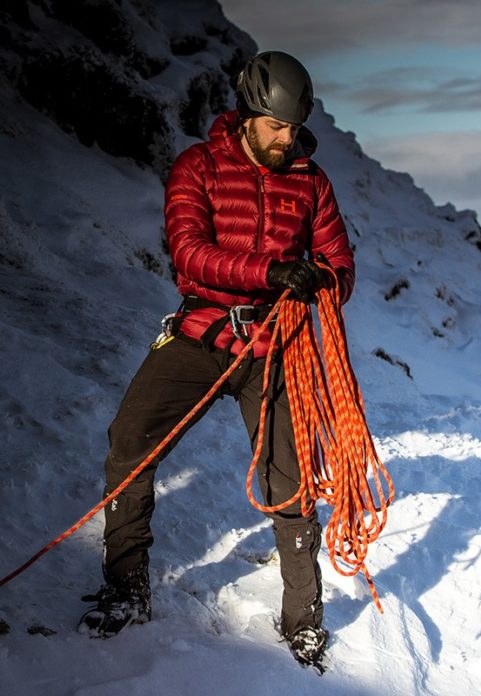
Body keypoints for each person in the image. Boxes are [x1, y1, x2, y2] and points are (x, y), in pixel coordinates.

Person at [78, 51, 355, 669]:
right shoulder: (198, 167)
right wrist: (272, 270)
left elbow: (341, 266)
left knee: (292, 483)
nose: (289, 138)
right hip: (202, 336)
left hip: (278, 347)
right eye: (278, 126)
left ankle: (304, 621)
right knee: (130, 443)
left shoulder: (311, 182)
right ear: (251, 115)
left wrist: (320, 280)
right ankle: (126, 588)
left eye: (295, 126)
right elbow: (190, 256)